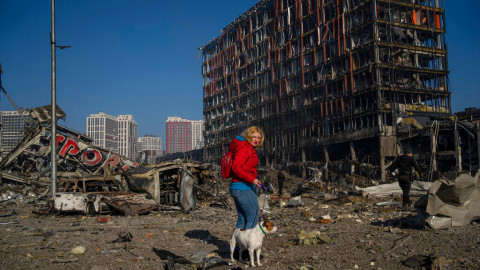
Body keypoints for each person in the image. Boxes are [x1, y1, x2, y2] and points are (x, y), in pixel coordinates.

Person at [229, 126, 264, 230]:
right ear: (248, 136)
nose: (256, 140)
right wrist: (252, 179)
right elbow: (236, 167)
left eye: (258, 137)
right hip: (243, 187)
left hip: (239, 187)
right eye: (254, 137)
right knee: (252, 218)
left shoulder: (246, 147)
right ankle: (247, 246)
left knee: (242, 219)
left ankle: (235, 246)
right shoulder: (245, 148)